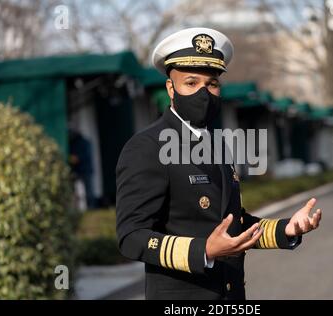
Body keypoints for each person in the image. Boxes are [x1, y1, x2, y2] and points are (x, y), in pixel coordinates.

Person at [115, 27, 322, 300]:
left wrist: (286, 229)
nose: (203, 93)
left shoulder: (217, 144)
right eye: (191, 83)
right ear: (171, 88)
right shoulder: (147, 147)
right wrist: (204, 251)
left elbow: (233, 223)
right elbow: (131, 236)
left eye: (211, 84)